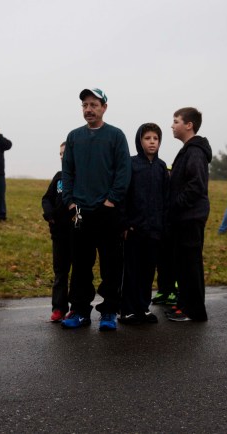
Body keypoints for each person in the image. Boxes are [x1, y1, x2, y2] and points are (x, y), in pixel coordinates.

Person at [60, 88, 131, 331]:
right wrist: (70, 202)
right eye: (85, 105)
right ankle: (80, 311)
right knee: (80, 265)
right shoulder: (74, 137)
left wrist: (111, 201)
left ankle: (109, 311)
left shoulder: (116, 136)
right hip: (80, 212)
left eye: (94, 104)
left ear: (104, 107)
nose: (89, 109)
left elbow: (123, 171)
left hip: (107, 211)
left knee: (111, 264)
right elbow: (67, 171)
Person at [119, 123, 169, 325]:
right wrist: (125, 224)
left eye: (155, 138)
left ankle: (143, 308)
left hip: (154, 230)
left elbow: (166, 198)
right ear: (139, 141)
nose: (152, 142)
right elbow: (123, 195)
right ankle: (128, 310)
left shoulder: (161, 167)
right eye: (147, 138)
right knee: (132, 270)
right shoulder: (131, 164)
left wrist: (163, 225)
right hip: (134, 229)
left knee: (148, 271)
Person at [166, 107, 211, 322]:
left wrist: (175, 204)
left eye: (176, 121)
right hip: (184, 217)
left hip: (190, 217)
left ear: (189, 125)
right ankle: (184, 303)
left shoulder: (195, 151)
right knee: (183, 264)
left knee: (191, 264)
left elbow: (196, 185)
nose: (172, 125)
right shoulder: (189, 150)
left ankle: (193, 310)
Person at [41, 142, 73, 322]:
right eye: (60, 154)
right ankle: (59, 308)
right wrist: (50, 215)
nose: (62, 156)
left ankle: (77, 308)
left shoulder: (81, 176)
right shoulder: (58, 177)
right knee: (60, 272)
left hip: (77, 233)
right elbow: (46, 198)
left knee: (78, 273)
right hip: (59, 233)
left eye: (65, 153)